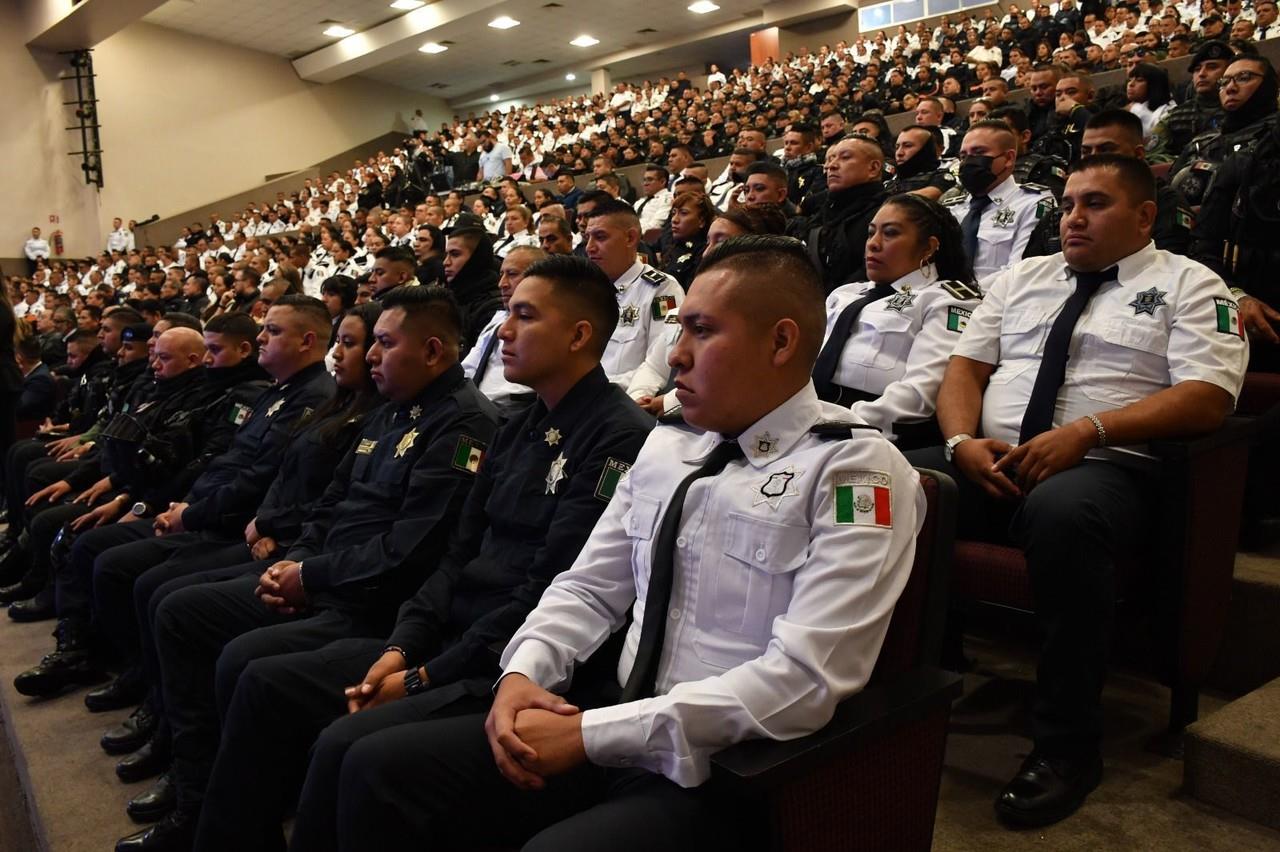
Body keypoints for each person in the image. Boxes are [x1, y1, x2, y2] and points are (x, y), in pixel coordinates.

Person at [300, 233, 925, 852]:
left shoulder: (853, 473)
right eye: (678, 331)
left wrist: (595, 735)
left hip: (724, 768)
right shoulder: (669, 444)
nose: (675, 355)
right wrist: (524, 671)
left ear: (781, 341)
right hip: (607, 717)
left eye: (702, 331)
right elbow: (589, 586)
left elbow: (806, 681)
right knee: (373, 765)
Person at [192, 254, 655, 852]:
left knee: (348, 750)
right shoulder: (517, 426)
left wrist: (423, 676)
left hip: (508, 662)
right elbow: (456, 555)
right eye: (506, 313)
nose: (504, 330)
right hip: (441, 640)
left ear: (579, 334)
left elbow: (550, 587)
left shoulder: (618, 437)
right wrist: (400, 648)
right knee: (270, 686)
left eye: (523, 315)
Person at [905, 155, 1247, 829]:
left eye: (1095, 204)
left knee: (1062, 513)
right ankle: (907, 685)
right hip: (991, 456)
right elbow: (964, 372)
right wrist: (959, 444)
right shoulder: (1022, 279)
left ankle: (1067, 745)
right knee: (885, 480)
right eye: (1067, 205)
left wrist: (1090, 431)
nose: (1074, 218)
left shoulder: (1192, 284)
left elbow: (1209, 397)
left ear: (1146, 215)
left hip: (1112, 468)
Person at [120, 286, 499, 851]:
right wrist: (298, 562)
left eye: (383, 343)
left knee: (242, 661)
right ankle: (198, 791)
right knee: (180, 610)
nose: (370, 355)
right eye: (365, 343)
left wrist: (310, 576)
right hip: (326, 579)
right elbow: (334, 503)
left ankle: (218, 825)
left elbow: (408, 552)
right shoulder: (390, 408)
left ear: (434, 351)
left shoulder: (463, 424)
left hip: (375, 608)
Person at [103, 304, 384, 827]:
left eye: (361, 343)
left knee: (172, 602)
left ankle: (195, 780)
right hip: (272, 538)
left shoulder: (351, 407)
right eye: (347, 342)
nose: (355, 354)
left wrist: (281, 541)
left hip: (307, 563)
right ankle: (173, 736)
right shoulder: (328, 402)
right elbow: (288, 480)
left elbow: (340, 510)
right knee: (154, 590)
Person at [814, 194, 981, 448]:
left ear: (928, 248)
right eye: (871, 233)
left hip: (872, 431)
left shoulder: (946, 300)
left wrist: (838, 422)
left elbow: (921, 393)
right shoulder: (845, 294)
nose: (873, 244)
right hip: (812, 413)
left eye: (890, 233)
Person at [1024, 109, 1195, 257]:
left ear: (1138, 155)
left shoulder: (1165, 203)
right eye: (1086, 151)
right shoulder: (1067, 204)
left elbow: (1165, 269)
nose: (1093, 158)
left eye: (1106, 150)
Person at [581, 199, 684, 389]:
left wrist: (595, 388)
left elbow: (660, 367)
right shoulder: (586, 292)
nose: (589, 247)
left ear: (630, 238)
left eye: (600, 237)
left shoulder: (661, 290)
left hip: (625, 400)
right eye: (587, 237)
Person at [942, 120, 1056, 282]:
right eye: (963, 156)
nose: (968, 162)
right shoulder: (952, 207)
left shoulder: (1032, 203)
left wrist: (964, 300)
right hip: (941, 301)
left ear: (1008, 158)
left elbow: (1020, 272)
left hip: (998, 300)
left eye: (978, 152)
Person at [795, 134, 888, 293]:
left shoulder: (889, 213)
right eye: (831, 159)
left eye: (845, 158)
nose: (831, 166)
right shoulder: (820, 213)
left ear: (873, 168)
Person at [462, 245, 544, 418]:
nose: (502, 284)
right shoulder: (498, 318)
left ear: (537, 278)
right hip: (474, 410)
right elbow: (468, 368)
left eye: (512, 274)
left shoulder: (548, 324)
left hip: (513, 415)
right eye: (501, 274)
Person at [1147, 41, 1231, 161]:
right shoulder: (1176, 115)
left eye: (1212, 67)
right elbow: (1152, 155)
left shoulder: (1242, 109)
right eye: (1197, 69)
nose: (1201, 74)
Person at [441, 227, 503, 355]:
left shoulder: (493, 307)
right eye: (446, 255)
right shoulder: (450, 295)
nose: (446, 262)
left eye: (455, 254)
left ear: (477, 258)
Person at [661, 192, 714, 290]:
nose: (674, 219)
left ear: (701, 221)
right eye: (674, 213)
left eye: (683, 213)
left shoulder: (705, 251)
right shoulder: (672, 243)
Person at [15, 335, 57, 425]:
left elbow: (18, 407)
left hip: (27, 429)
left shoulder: (40, 379)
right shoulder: (33, 373)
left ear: (18, 357)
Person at [634, 165, 674, 244]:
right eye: (644, 180)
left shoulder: (667, 198)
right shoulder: (640, 201)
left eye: (650, 180)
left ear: (662, 181)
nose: (645, 183)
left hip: (649, 241)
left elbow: (655, 226)